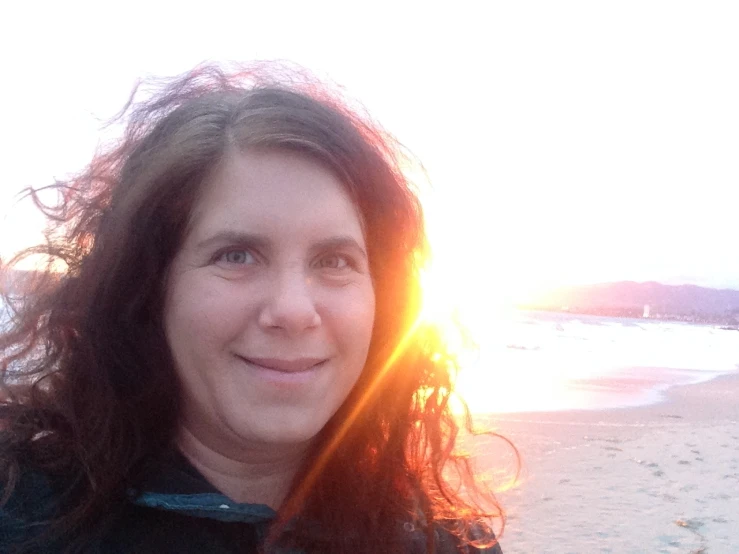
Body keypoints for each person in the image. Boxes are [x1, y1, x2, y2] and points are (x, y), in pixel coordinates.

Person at [0, 63, 506, 553]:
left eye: (334, 260)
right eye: (235, 255)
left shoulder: (443, 546)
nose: (292, 310)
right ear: (149, 288)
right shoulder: (22, 518)